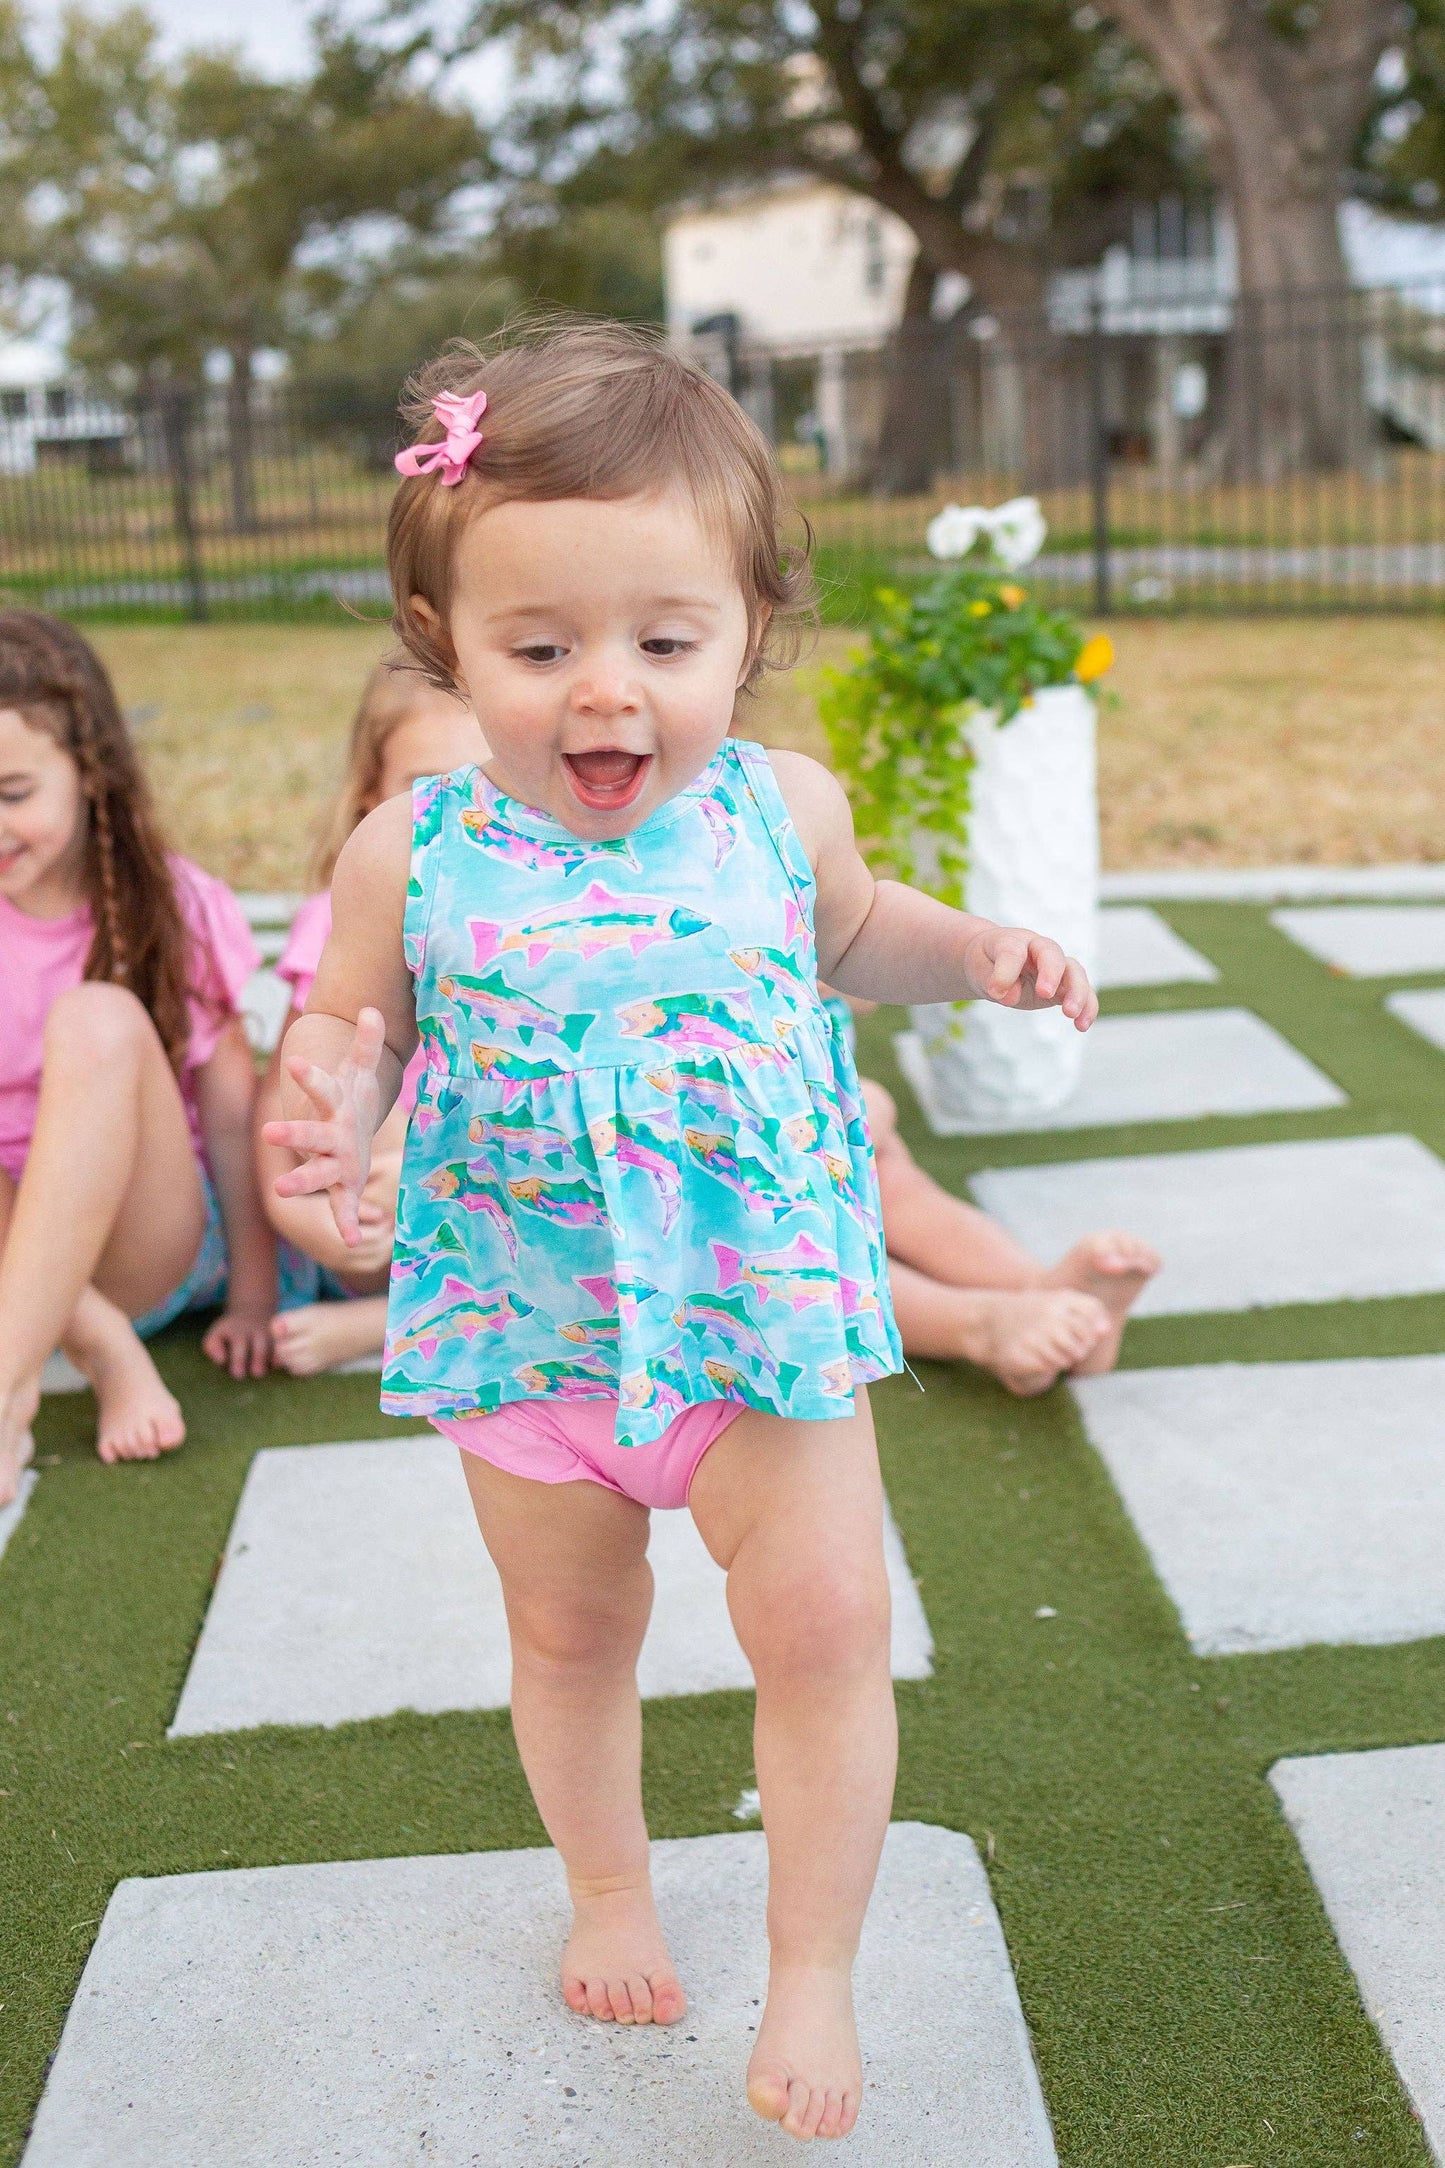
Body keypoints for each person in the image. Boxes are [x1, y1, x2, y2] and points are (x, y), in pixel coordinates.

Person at [264, 322, 1098, 2145]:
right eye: (539, 648)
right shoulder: (411, 850)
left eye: (664, 642)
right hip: (529, 1333)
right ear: (443, 640)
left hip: (759, 1327)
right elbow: (352, 1022)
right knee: (570, 1636)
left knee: (827, 1630)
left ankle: (811, 1963)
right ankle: (610, 1886)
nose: (606, 697)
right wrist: (325, 1101)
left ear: (748, 627)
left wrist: (975, 951)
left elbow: (856, 930)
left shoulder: (782, 810)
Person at [0, 613, 277, 1506]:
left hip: (142, 1247)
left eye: (12, 792)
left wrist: (255, 1292)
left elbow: (230, 1113)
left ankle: (6, 1393)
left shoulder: (171, 903)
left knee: (100, 1017)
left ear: (91, 772)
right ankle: (102, 1350)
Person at [255, 663, 484, 1376]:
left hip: (494, 1216)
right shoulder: (337, 922)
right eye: (426, 791)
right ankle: (396, 1304)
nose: (458, 820)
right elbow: (280, 1103)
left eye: (488, 786)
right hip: (368, 1217)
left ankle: (383, 1325)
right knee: (349, 1079)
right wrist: (308, 1220)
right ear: (370, 801)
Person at [824, 996, 1159, 1393]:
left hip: (832, 1109)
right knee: (818, 1253)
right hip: (765, 1162)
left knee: (900, 1190)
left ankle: (1045, 1293)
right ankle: (981, 1324)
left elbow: (860, 992)